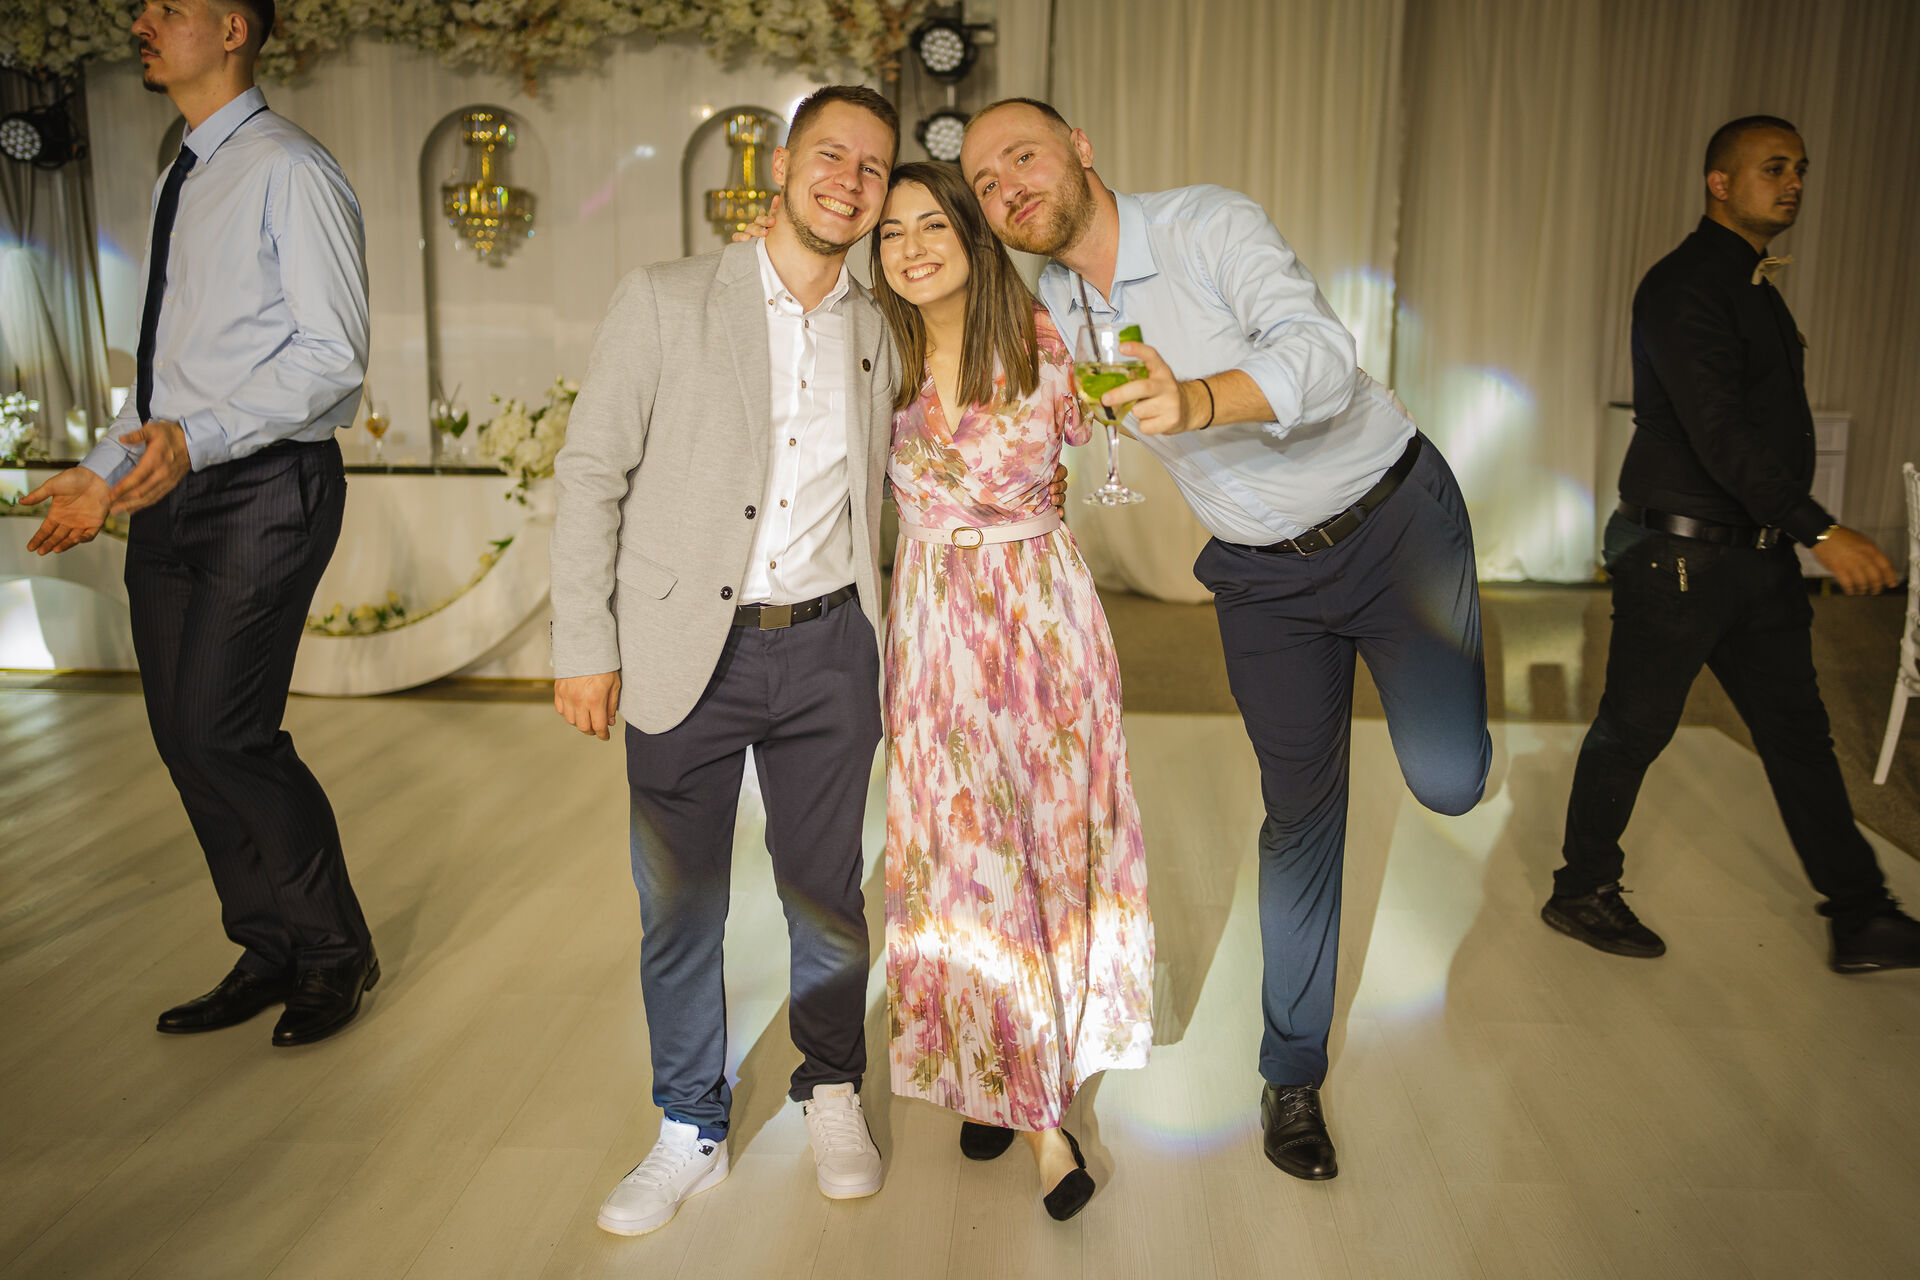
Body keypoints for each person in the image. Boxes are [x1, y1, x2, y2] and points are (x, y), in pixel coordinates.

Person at [960, 99, 1492, 1182]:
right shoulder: (1055, 298)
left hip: (1393, 523)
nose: (1010, 187)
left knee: (1449, 780)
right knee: (1299, 814)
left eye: (1024, 156)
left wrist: (1198, 398)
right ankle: (1291, 1074)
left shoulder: (1207, 224)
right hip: (1260, 574)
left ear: (1080, 150)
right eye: (986, 183)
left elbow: (1322, 356)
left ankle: (1449, 741)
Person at [550, 85, 901, 1238]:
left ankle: (832, 1087)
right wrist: (584, 641)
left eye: (874, 167)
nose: (850, 181)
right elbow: (591, 473)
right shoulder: (664, 298)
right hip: (681, 647)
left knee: (827, 891)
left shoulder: (882, 325)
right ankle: (689, 1122)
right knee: (680, 900)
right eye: (831, 155)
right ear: (783, 164)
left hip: (831, 646)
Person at [24, 0, 378, 1047]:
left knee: (226, 729)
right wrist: (103, 469)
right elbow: (170, 381)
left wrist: (194, 439)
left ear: (231, 29)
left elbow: (333, 356)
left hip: (265, 485)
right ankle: (268, 945)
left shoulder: (290, 169)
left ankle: (334, 950)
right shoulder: (179, 173)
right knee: (183, 735)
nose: (142, 19)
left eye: (169, 6)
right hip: (174, 483)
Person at [1542, 115, 1919, 971]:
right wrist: (1823, 530)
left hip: (1755, 556)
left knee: (1798, 734)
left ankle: (1861, 914)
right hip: (1678, 557)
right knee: (1634, 728)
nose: (1793, 184)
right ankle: (1581, 890)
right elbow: (1719, 435)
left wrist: (1791, 533)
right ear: (1720, 182)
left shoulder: (1755, 287)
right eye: (1773, 168)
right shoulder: (1685, 286)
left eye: (1801, 170)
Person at [870, 162, 1154, 1220]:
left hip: (1043, 621)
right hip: (934, 625)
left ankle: (1015, 1070)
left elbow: (1120, 418)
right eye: (891, 232)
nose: (911, 247)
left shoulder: (1044, 334)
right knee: (964, 860)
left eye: (931, 224)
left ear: (972, 234)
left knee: (1045, 846)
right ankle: (1035, 1112)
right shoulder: (875, 354)